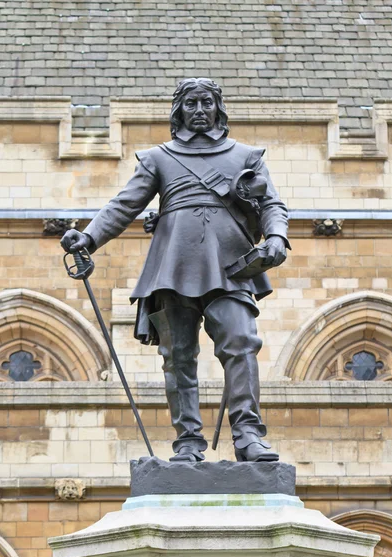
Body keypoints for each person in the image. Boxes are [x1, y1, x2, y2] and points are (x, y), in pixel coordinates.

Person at [61, 78, 290, 463]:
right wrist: (89, 237)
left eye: (206, 103)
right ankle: (187, 441)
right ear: (178, 110)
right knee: (178, 355)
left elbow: (271, 204)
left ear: (218, 108)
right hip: (172, 265)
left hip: (231, 264)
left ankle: (249, 434)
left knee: (241, 341)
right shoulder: (158, 158)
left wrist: (277, 237)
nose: (199, 111)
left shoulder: (247, 156)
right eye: (190, 104)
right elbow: (124, 205)